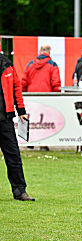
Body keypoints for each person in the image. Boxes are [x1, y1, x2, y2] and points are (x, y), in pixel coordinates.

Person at [0, 54, 35, 201]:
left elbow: (16, 87)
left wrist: (21, 111)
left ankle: (20, 191)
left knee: (13, 156)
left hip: (5, 118)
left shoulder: (7, 63)